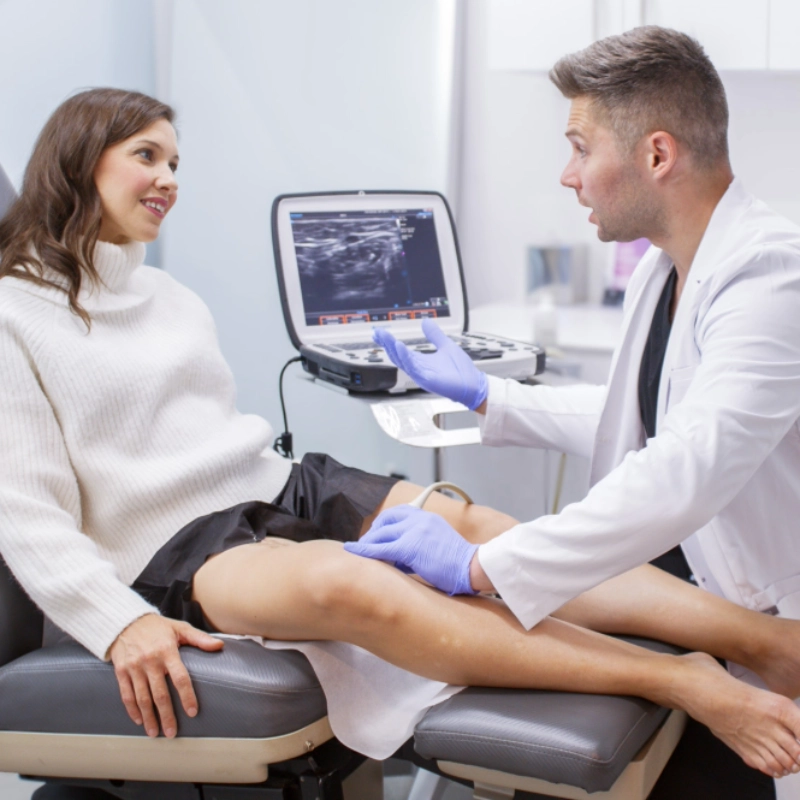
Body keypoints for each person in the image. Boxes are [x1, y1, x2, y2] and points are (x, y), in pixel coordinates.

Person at [1, 88, 800, 792]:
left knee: (471, 522)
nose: (170, 179)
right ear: (79, 159)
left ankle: (764, 639)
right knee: (363, 587)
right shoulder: (16, 314)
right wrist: (114, 620)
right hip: (173, 546)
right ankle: (683, 680)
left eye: (176, 159)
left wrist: (487, 407)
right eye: (148, 156)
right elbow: (24, 511)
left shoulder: (168, 294)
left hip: (276, 484)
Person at [347, 26, 800, 798]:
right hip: (687, 582)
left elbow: (684, 468)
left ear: (657, 156)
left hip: (757, 598)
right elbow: (649, 417)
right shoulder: (667, 268)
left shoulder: (768, 277)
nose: (568, 174)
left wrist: (482, 568)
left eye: (580, 147)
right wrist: (493, 396)